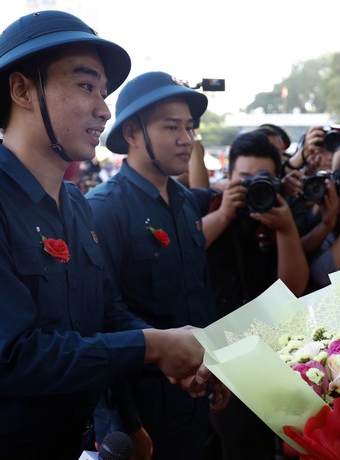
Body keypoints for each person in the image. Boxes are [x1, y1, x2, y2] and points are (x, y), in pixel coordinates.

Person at [0, 10, 211, 459]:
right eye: (85, 86)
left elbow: (106, 312)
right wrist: (152, 346)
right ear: (22, 89)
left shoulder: (73, 202)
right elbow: (5, 357)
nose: (103, 109)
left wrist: (170, 352)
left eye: (103, 92)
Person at [86, 71, 227, 459]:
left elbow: (199, 297)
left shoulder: (184, 202)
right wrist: (126, 424)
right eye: (171, 127)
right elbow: (100, 323)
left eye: (189, 127)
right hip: (138, 409)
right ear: (131, 133)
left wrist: (218, 367)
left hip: (191, 396)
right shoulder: (103, 209)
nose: (187, 139)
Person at [193, 129, 308, 460]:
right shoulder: (206, 204)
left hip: (258, 355)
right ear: (227, 177)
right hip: (204, 348)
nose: (252, 186)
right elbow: (185, 254)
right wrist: (224, 214)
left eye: (263, 179)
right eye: (243, 179)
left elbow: (292, 288)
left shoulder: (278, 215)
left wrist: (285, 229)